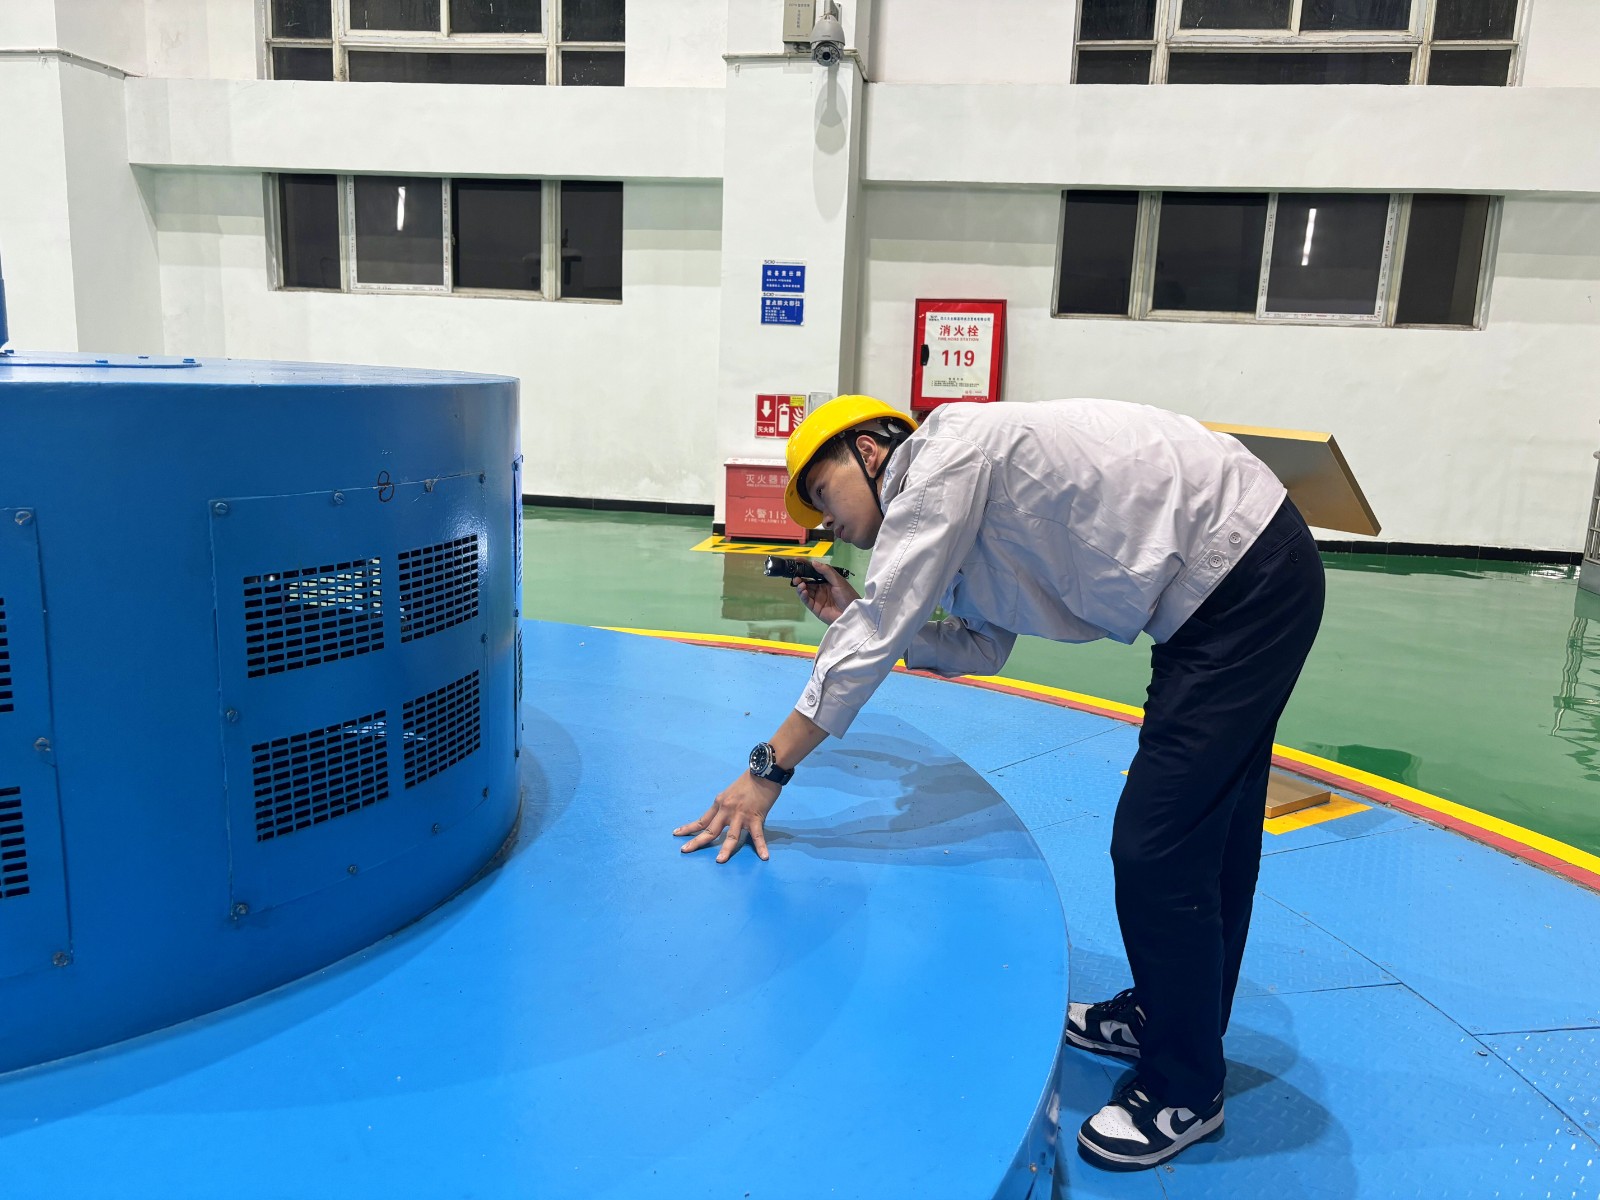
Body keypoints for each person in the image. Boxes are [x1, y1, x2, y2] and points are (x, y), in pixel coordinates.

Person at [673, 394, 1326, 1171]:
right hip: (1232, 589)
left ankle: (1185, 1088)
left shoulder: (944, 460)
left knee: (1156, 847)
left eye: (822, 492)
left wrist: (769, 767)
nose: (826, 523)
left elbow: (876, 638)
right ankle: (1169, 1018)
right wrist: (860, 615)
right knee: (1207, 832)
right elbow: (980, 647)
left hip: (1243, 583)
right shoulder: (955, 504)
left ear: (870, 452)